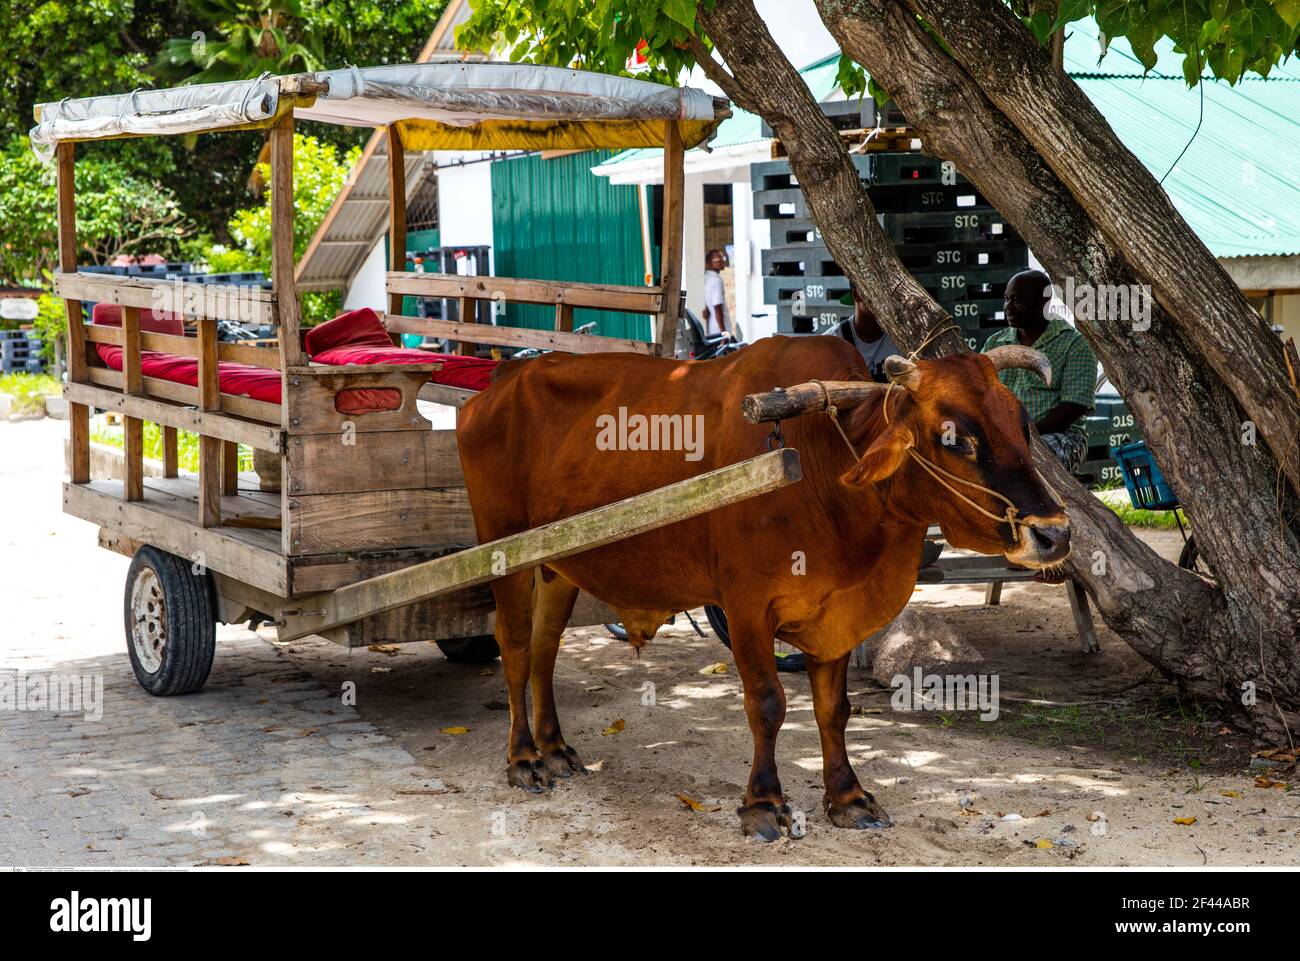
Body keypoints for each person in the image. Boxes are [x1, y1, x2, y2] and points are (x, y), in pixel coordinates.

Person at [982, 269, 1098, 472]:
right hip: (1002, 436)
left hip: (1061, 437)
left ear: (1042, 303)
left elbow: (1072, 408)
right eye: (1006, 299)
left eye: (1017, 300)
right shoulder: (995, 342)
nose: (1008, 307)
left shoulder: (1074, 344)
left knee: (1025, 461)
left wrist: (1020, 434)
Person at [824, 285, 900, 383]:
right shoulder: (832, 343)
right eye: (872, 290)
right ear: (856, 295)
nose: (880, 296)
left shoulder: (902, 340)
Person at [702, 249, 731, 336]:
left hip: (711, 329)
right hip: (719, 330)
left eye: (722, 258)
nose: (722, 261)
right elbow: (717, 307)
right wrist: (723, 332)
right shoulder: (716, 280)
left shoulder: (706, 278)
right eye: (719, 259)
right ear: (710, 264)